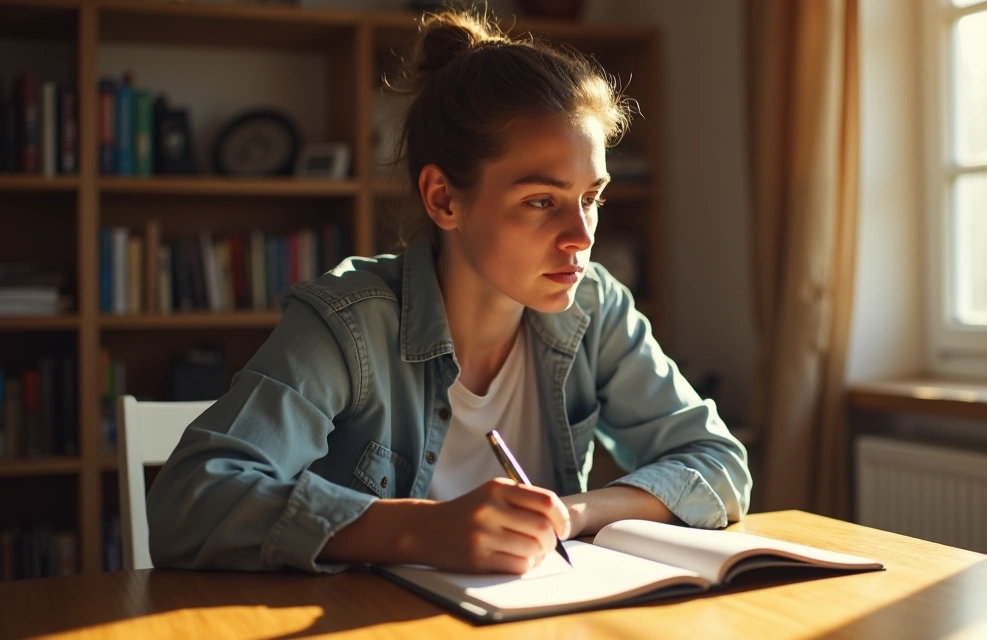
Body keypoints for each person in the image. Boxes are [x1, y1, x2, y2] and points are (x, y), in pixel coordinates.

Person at [145, 7, 750, 576]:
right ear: (444, 199)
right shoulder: (347, 324)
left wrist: (572, 513)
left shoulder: (595, 305)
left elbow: (719, 463)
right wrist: (421, 531)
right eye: (541, 201)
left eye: (590, 197)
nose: (580, 237)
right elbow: (191, 501)